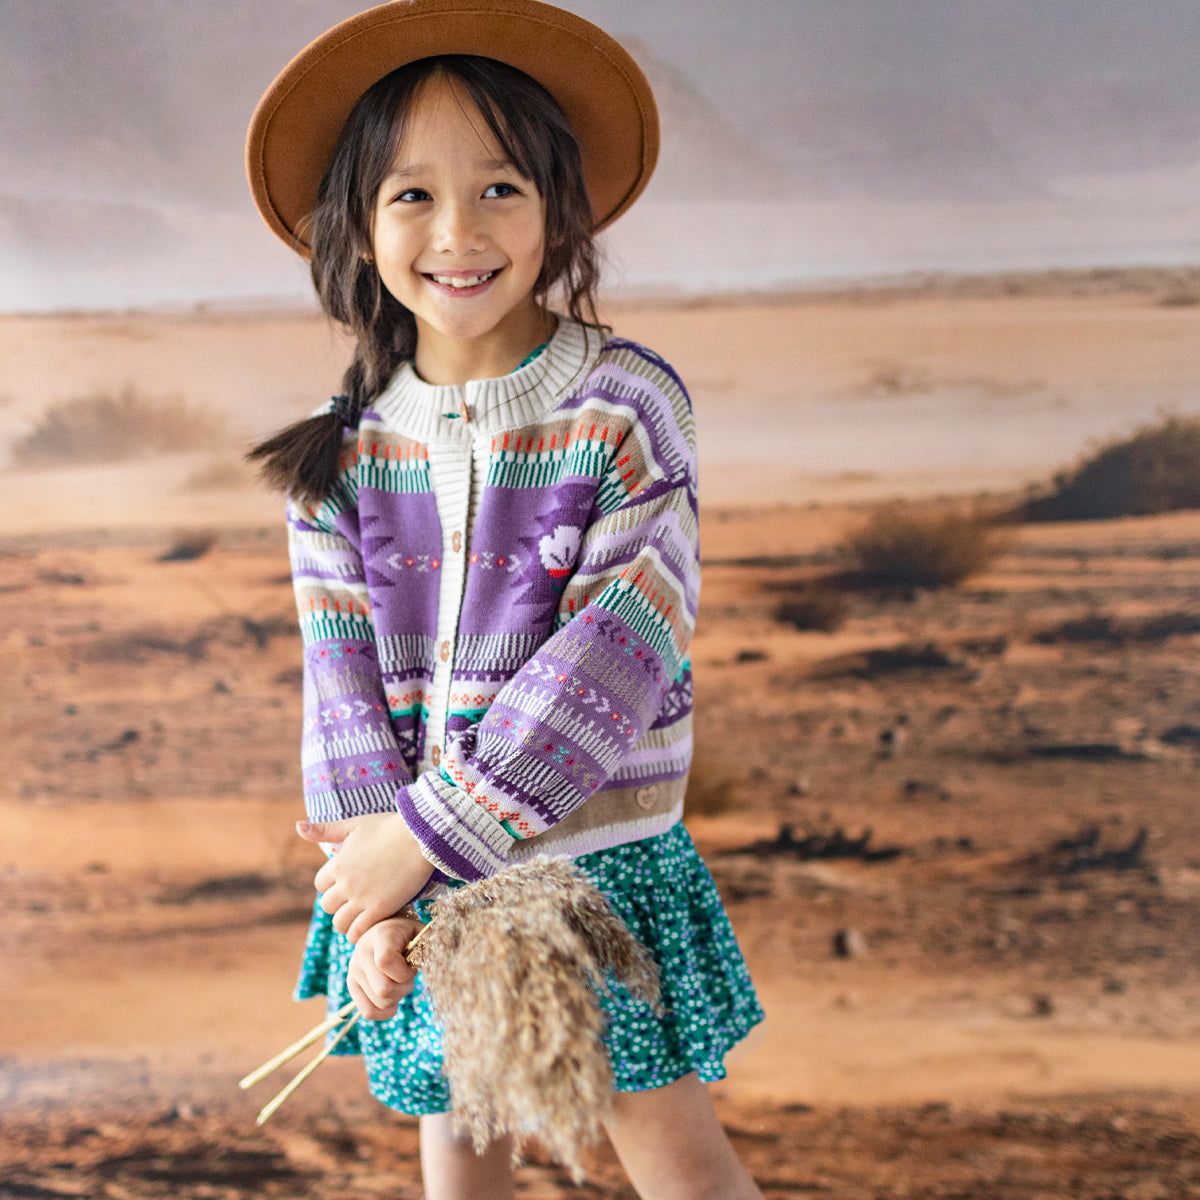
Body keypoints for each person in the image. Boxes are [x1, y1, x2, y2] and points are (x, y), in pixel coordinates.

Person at [244, 2, 765, 1196]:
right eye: (410, 195)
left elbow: (616, 656)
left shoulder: (626, 408)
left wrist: (422, 843)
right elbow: (342, 690)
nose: (458, 231)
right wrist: (378, 903)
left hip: (590, 870)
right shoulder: (342, 450)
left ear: (559, 207)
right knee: (457, 1145)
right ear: (355, 224)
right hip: (416, 877)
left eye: (501, 189)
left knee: (671, 1152)